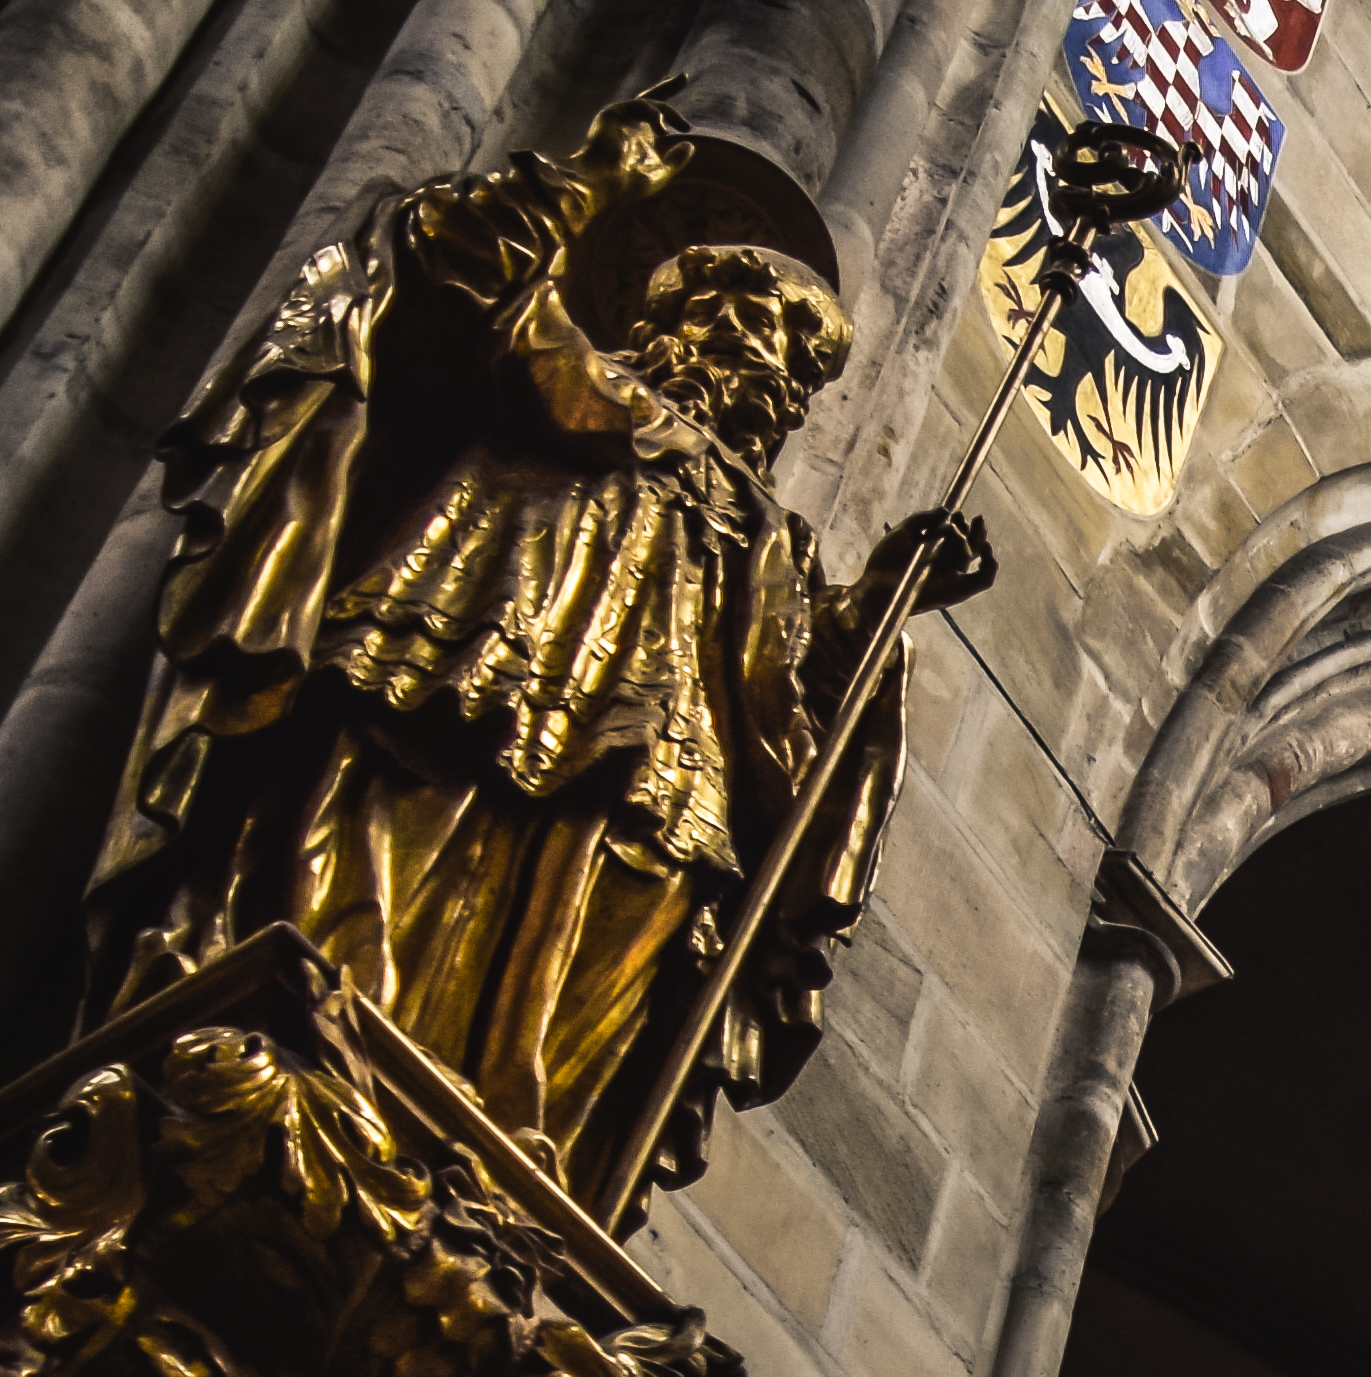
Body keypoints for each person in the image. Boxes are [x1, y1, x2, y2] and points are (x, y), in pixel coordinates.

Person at [92, 91, 988, 1194]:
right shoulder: (571, 373)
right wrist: (593, 182)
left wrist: (887, 600)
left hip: (667, 771)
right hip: (467, 657)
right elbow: (455, 268)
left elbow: (797, 686)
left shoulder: (770, 538)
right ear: (677, 318)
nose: (774, 367)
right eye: (756, 323)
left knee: (597, 958)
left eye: (799, 364)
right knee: (373, 875)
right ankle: (321, 1073)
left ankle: (509, 1180)